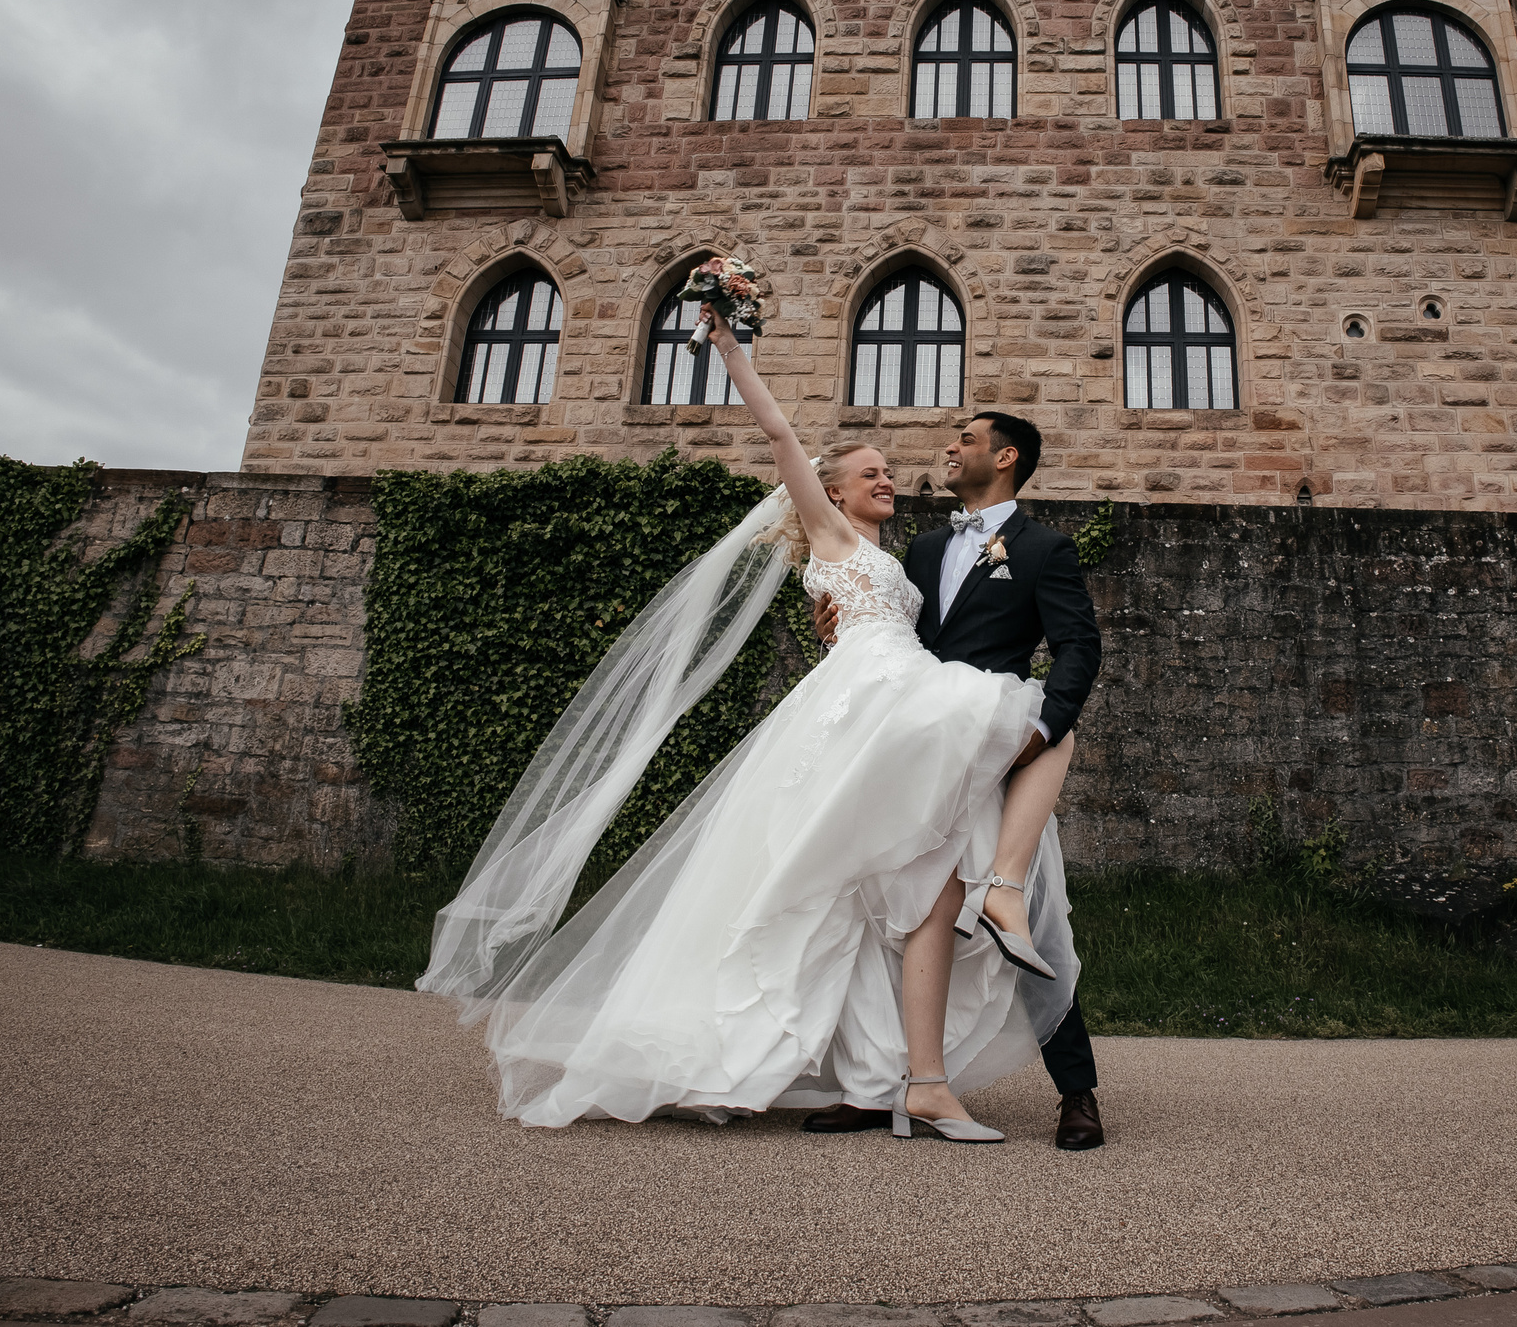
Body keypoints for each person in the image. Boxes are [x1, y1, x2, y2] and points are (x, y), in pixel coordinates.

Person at [417, 299, 1084, 1144]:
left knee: (918, 874)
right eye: (869, 472)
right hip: (876, 705)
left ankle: (913, 1075)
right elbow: (778, 436)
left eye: (888, 473)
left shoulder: (899, 557)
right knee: (1020, 723)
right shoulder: (833, 531)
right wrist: (733, 350)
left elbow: (912, 628)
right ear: (831, 490)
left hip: (898, 696)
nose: (889, 480)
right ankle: (987, 923)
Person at [802, 410, 1109, 1150]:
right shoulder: (928, 546)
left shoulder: (1044, 549)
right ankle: (881, 1085)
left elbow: (1078, 646)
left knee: (1031, 912)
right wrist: (838, 630)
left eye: (967, 438)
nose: (950, 446)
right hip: (919, 750)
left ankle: (1078, 1093)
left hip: (996, 746)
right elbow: (897, 638)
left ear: (1004, 457)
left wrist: (1043, 729)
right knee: (892, 908)